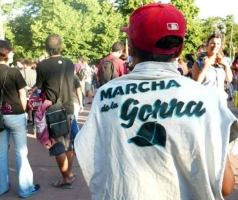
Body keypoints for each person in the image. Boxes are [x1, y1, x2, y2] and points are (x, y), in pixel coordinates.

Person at [75, 3, 237, 199]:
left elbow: (92, 163)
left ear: (131, 47)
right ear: (180, 50)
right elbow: (226, 187)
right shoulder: (207, 98)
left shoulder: (105, 95)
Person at [0, 40, 40, 197]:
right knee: (21, 152)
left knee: (1, 152)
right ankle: (25, 189)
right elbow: (22, 94)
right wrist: (23, 112)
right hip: (15, 114)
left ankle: (0, 187)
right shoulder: (13, 72)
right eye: (11, 51)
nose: (13, 53)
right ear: (6, 53)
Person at [35, 34, 76, 189]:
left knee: (57, 145)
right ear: (62, 47)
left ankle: (65, 179)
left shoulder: (42, 65)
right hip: (69, 107)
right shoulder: (69, 63)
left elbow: (39, 86)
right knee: (68, 143)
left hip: (54, 109)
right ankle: (69, 173)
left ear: (46, 49)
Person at [192, 33, 233, 103]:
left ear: (220, 46)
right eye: (212, 43)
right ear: (207, 45)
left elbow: (229, 79)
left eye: (218, 44)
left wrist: (226, 65)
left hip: (221, 102)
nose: (215, 46)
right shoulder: (199, 62)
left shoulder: (222, 61)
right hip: (205, 102)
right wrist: (206, 66)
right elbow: (196, 82)